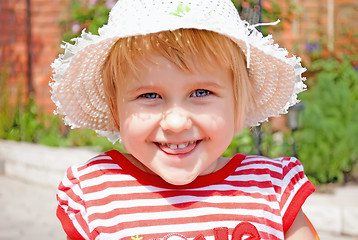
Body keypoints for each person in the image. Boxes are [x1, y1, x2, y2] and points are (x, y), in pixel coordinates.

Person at [51, 0, 318, 239]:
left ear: (239, 101)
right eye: (149, 95)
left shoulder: (269, 190)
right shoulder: (98, 194)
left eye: (201, 92)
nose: (176, 123)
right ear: (115, 108)